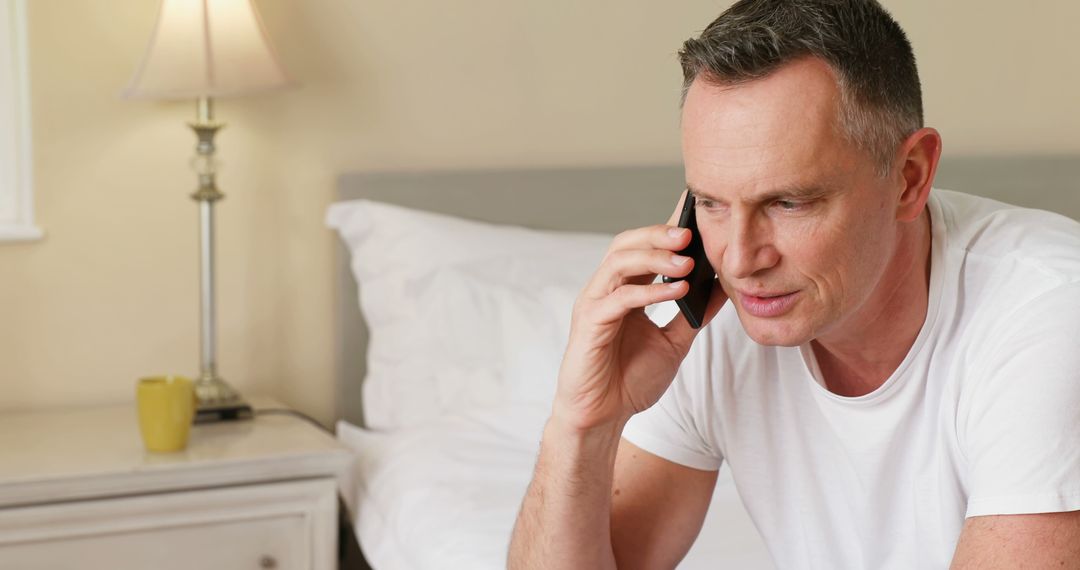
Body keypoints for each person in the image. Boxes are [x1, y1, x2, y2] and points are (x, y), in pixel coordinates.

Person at [507, 0, 1080, 568]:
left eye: (787, 202)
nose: (738, 258)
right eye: (710, 202)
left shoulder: (1048, 314)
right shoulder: (706, 322)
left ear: (909, 178)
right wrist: (583, 423)